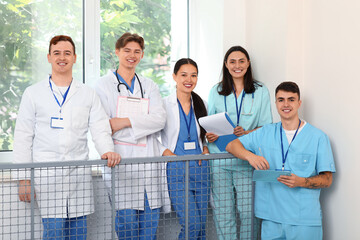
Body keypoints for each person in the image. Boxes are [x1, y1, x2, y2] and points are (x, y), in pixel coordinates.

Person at [13, 35, 121, 240]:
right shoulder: (33, 93)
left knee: (79, 233)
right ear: (49, 57)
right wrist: (24, 178)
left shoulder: (87, 93)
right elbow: (23, 137)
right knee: (53, 233)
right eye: (57, 53)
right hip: (47, 176)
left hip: (78, 176)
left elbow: (99, 126)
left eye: (67, 53)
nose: (62, 57)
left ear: (74, 58)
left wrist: (107, 150)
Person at [226, 81, 336, 240]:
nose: (286, 104)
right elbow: (232, 145)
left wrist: (301, 181)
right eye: (281, 99)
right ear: (276, 103)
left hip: (304, 221)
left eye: (291, 99)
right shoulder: (264, 132)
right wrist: (250, 156)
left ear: (299, 103)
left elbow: (327, 179)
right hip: (272, 220)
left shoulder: (318, 137)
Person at [95, 32, 168, 240]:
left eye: (137, 51)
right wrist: (141, 122)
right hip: (122, 164)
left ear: (142, 55)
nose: (132, 55)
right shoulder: (103, 85)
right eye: (127, 50)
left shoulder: (149, 85)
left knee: (149, 232)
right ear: (117, 52)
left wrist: (123, 122)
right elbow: (104, 125)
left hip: (148, 168)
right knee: (127, 230)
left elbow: (159, 120)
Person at [206, 46, 272, 239]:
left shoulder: (261, 91)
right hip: (220, 160)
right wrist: (210, 135)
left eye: (241, 61)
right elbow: (209, 125)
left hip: (246, 160)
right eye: (232, 61)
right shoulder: (216, 91)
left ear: (248, 63)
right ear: (226, 65)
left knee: (248, 212)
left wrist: (247, 132)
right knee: (224, 212)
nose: (237, 65)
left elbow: (266, 127)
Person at [160, 58, 209, 239]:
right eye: (184, 75)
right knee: (192, 225)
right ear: (174, 77)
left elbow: (205, 135)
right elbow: (152, 136)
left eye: (193, 75)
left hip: (200, 169)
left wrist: (205, 149)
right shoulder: (164, 104)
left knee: (201, 228)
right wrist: (165, 151)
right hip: (177, 170)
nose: (189, 79)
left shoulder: (202, 103)